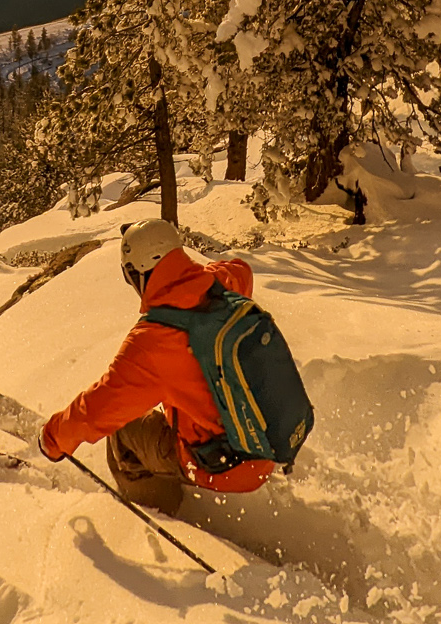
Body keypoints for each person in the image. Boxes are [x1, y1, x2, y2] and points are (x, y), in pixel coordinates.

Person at [37, 218, 276, 516]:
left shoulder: (154, 341)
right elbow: (241, 269)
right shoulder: (227, 285)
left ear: (138, 274)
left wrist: (52, 439)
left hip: (225, 467)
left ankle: (159, 514)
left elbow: (98, 410)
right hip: (267, 442)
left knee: (123, 433)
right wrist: (196, 277)